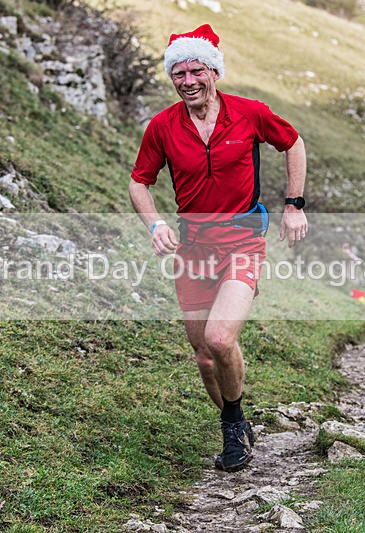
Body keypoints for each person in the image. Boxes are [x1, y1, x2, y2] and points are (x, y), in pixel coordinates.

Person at [128, 24, 307, 472]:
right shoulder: (162, 126)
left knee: (219, 337)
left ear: (213, 71)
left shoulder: (249, 113)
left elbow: (293, 142)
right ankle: (237, 419)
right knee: (205, 356)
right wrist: (154, 226)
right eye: (178, 74)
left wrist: (294, 205)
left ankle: (231, 427)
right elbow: (139, 182)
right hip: (192, 248)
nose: (187, 81)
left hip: (243, 240)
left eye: (195, 71)